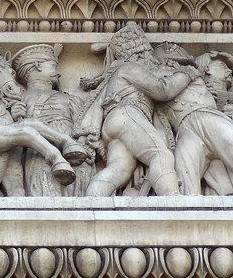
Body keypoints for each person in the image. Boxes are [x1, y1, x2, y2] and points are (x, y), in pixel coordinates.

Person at [76, 24, 199, 196]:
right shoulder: (129, 68)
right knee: (161, 155)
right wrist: (188, 73)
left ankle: (93, 200)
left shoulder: (117, 72)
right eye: (148, 54)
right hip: (128, 115)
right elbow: (162, 90)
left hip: (113, 125)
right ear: (140, 54)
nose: (152, 60)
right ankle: (173, 199)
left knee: (120, 169)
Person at [153, 42, 233, 195]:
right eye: (221, 66)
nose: (229, 70)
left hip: (211, 121)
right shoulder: (185, 83)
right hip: (186, 130)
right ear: (206, 70)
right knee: (184, 174)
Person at [12, 43, 94, 196]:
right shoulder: (19, 101)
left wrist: (86, 144)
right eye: (54, 66)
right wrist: (14, 117)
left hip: (76, 152)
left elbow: (84, 127)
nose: (59, 73)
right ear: (37, 65)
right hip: (40, 152)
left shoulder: (70, 99)